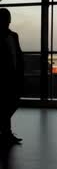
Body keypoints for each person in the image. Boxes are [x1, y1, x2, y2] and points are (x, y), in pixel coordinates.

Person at [0, 8, 24, 145]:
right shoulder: (9, 36)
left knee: (10, 102)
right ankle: (6, 132)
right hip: (4, 76)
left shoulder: (14, 35)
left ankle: (5, 131)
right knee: (8, 103)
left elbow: (18, 54)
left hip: (12, 75)